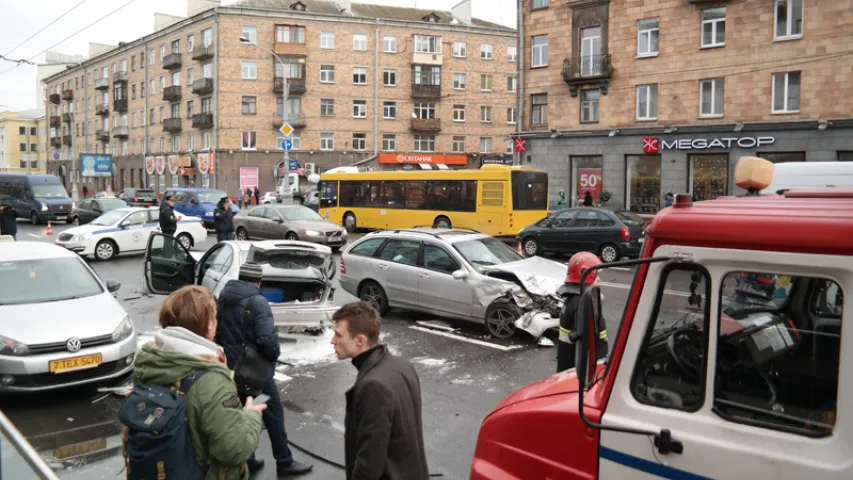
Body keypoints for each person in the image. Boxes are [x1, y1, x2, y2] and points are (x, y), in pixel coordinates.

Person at [133, 285, 267, 479]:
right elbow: (233, 449)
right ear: (208, 324)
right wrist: (251, 416)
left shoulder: (150, 362)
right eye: (213, 317)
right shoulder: (212, 381)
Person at [215, 262, 313, 477]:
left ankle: (247, 460)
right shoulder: (258, 302)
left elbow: (218, 333)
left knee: (241, 411)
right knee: (273, 412)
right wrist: (274, 356)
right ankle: (284, 462)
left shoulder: (223, 297)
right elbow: (267, 339)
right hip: (257, 371)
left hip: (234, 368)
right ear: (258, 282)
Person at [331, 301, 429, 480]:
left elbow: (369, 463)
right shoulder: (402, 365)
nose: (333, 341)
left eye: (338, 335)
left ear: (360, 340)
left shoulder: (373, 386)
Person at [557, 252, 609, 373]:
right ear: (586, 275)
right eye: (596, 276)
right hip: (584, 374)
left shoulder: (573, 299)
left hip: (568, 369)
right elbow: (584, 348)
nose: (599, 280)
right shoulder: (582, 304)